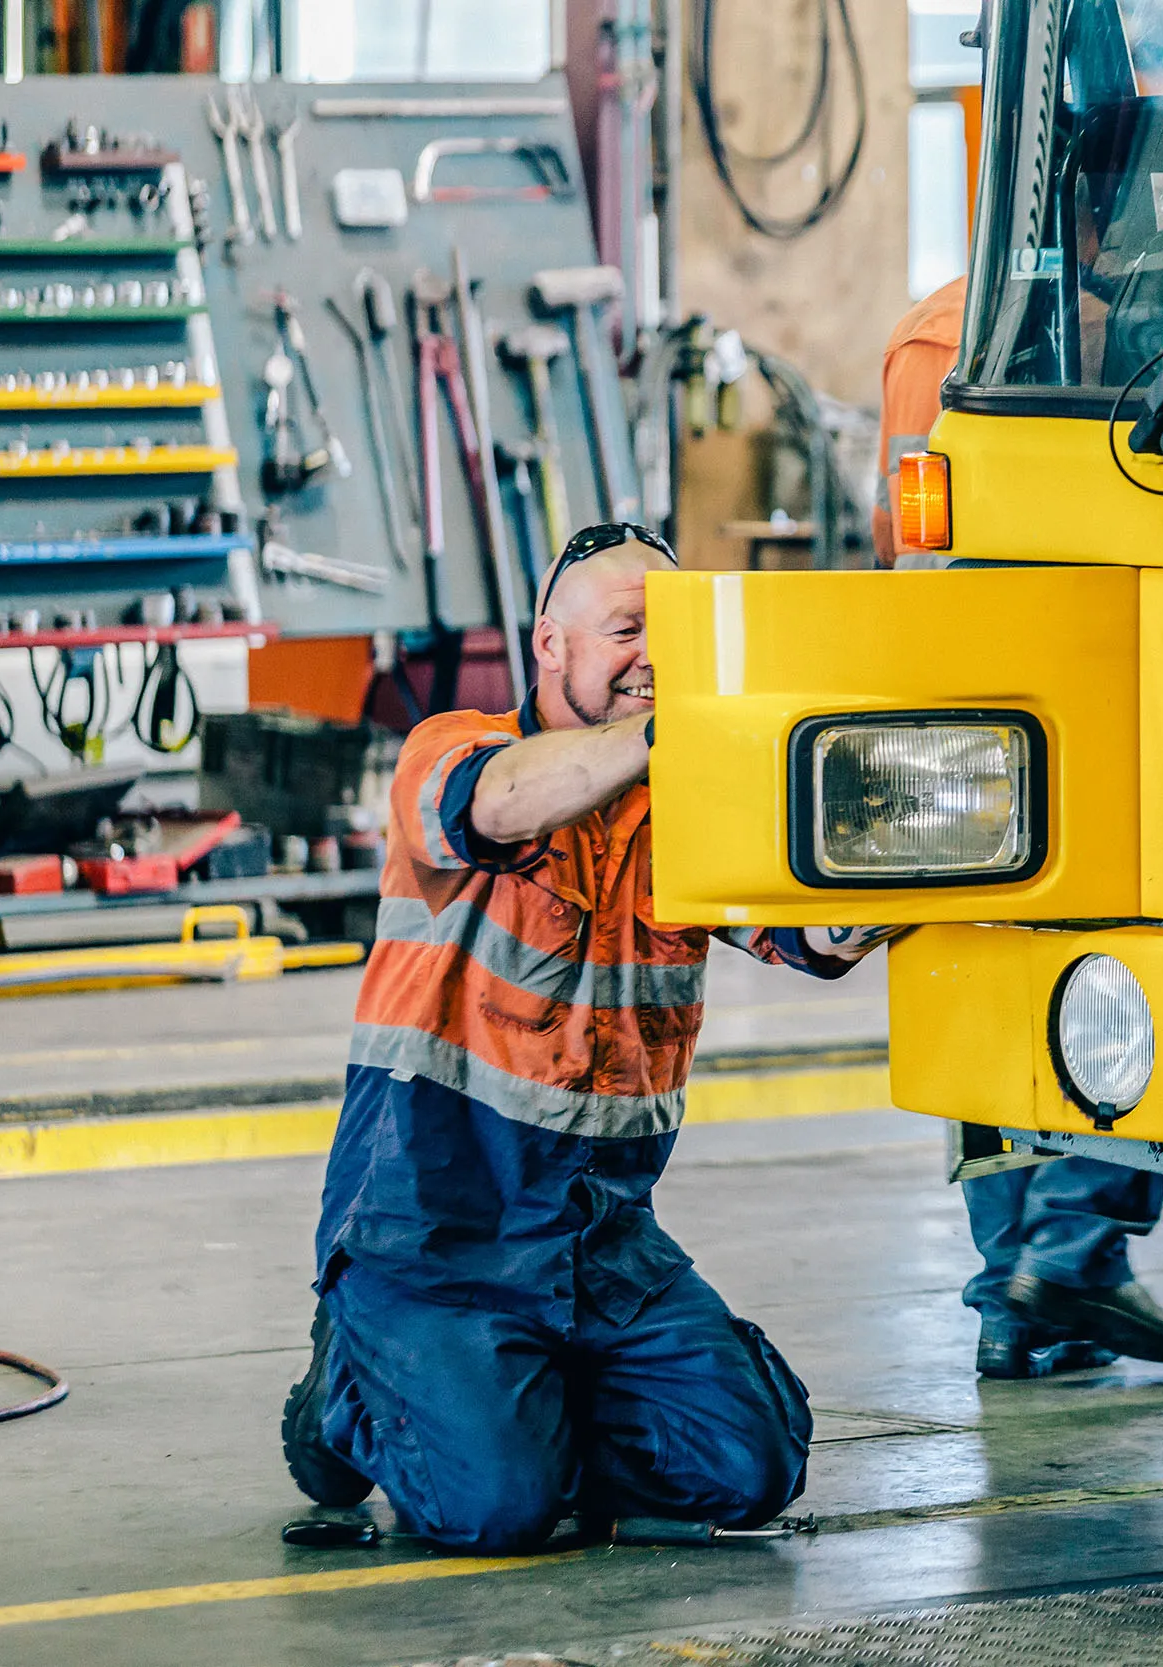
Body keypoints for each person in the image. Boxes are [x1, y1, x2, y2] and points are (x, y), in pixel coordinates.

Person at [281, 522, 892, 1551]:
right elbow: (503, 801)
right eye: (625, 630)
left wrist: (886, 870)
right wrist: (671, 733)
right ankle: (347, 1383)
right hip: (431, 1231)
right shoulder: (455, 749)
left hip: (600, 1240)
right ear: (549, 646)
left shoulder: (686, 807)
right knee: (496, 1511)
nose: (652, 656)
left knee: (751, 1466)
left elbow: (809, 930)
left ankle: (512, 1403)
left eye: (671, 632)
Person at [875, 280, 1163, 1379]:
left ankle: (1016, 1301)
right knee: (1124, 967)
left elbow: (916, 552)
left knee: (986, 993)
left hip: (954, 708)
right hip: (1078, 694)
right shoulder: (1131, 313)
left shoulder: (933, 328)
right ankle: (1071, 1252)